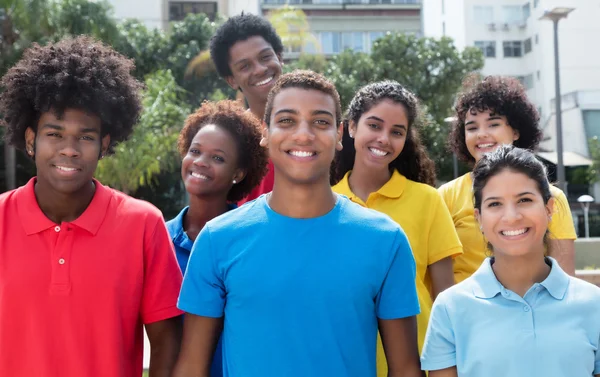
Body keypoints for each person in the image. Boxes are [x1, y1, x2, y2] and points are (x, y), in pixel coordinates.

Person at [172, 70, 423, 377]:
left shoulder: (386, 240)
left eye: (320, 121)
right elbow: (191, 368)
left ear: (339, 133)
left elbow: (407, 369)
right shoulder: (217, 239)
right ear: (266, 131)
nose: (303, 134)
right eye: (287, 120)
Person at [0, 36, 183, 377]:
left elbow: (166, 340)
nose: (69, 149)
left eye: (85, 137)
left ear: (104, 145)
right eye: (54, 134)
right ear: (30, 140)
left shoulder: (143, 224)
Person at [421, 145, 600, 377]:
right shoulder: (450, 308)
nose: (512, 217)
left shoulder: (593, 304)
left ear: (549, 209)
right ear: (479, 219)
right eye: (495, 204)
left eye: (524, 200)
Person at [332, 81, 462, 374]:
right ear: (351, 127)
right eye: (374, 126)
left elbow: (444, 297)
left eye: (397, 132)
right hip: (347, 360)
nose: (384, 139)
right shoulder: (325, 203)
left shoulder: (428, 200)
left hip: (418, 361)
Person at [439, 75, 576, 282]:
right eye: (472, 127)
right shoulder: (445, 196)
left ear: (516, 131)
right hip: (467, 312)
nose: (481, 134)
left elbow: (564, 279)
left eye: (493, 124)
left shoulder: (552, 196)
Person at [166, 100, 268, 376]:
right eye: (195, 151)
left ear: (238, 173)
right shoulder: (157, 240)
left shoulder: (256, 240)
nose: (200, 162)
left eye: (217, 158)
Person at [210, 13, 284, 204]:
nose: (260, 69)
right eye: (245, 66)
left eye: (265, 57)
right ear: (232, 80)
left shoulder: (318, 126)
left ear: (280, 57)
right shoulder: (230, 139)